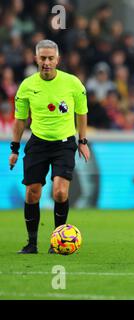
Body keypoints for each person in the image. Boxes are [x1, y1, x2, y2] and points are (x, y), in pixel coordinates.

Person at [9, 40, 90, 254]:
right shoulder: (27, 86)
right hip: (38, 143)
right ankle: (32, 244)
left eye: (50, 58)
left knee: (61, 192)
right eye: (42, 58)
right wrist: (14, 149)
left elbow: (81, 114)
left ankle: (58, 242)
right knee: (32, 194)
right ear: (36, 59)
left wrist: (82, 141)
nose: (46, 62)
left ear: (57, 60)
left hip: (64, 144)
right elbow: (19, 120)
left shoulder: (73, 84)